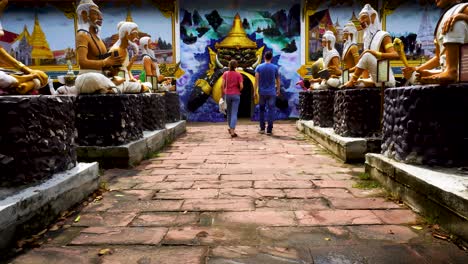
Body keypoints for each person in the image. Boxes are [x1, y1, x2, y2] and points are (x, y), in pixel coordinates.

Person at [403, 0, 468, 84]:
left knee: (454, 23)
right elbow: (438, 57)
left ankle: (451, 71)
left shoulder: (464, 8)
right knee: (418, 75)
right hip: (449, 70)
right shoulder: (444, 18)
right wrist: (417, 69)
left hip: (462, 69)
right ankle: (445, 72)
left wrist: (462, 17)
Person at [343, 4, 399, 88]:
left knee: (367, 55)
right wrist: (342, 72)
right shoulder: (367, 40)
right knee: (345, 79)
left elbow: (395, 55)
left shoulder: (383, 35)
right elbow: (361, 65)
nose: (361, 22)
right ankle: (352, 80)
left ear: (372, 17)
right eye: (360, 19)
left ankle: (352, 81)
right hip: (373, 79)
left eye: (364, 17)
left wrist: (374, 53)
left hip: (384, 77)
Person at [255, 51, 280, 135]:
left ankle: (262, 128)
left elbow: (256, 80)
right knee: (271, 110)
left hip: (262, 92)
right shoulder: (275, 67)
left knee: (261, 110)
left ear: (264, 57)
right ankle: (269, 129)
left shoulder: (259, 67)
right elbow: (278, 80)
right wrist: (278, 90)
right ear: (271, 58)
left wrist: (255, 91)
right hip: (272, 92)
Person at [221, 59, 243, 137]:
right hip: (236, 95)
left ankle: (230, 128)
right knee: (234, 113)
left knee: (229, 113)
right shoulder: (238, 74)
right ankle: (232, 131)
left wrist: (222, 94)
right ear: (236, 66)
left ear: (229, 65)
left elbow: (222, 85)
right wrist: (238, 90)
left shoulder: (225, 74)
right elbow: (241, 86)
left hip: (227, 94)